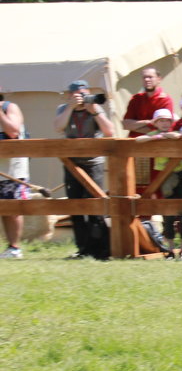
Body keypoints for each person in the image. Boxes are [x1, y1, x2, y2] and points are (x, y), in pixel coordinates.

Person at [53, 80, 115, 259]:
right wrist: (70, 108)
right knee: (76, 207)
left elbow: (109, 131)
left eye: (83, 93)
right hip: (72, 163)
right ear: (69, 95)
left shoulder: (94, 107)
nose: (80, 97)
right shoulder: (63, 108)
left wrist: (94, 110)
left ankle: (102, 248)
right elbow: (58, 127)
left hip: (93, 163)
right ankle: (83, 249)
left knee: (95, 206)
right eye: (76, 94)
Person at [134, 108, 182, 258]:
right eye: (161, 121)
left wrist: (166, 136)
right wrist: (158, 137)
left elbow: (179, 136)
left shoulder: (175, 132)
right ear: (156, 123)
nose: (165, 123)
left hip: (180, 173)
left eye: (167, 120)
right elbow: (138, 140)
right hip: (164, 176)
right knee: (168, 212)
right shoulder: (155, 135)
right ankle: (171, 249)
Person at [0, 87, 28, 258]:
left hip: (12, 170)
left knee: (11, 210)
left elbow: (13, 131)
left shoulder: (9, 108)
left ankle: (14, 248)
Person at [121, 67, 174, 136]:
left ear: (159, 79)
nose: (147, 79)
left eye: (150, 77)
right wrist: (148, 122)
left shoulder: (165, 100)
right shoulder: (135, 99)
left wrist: (135, 127)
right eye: (144, 77)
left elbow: (165, 128)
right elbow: (126, 125)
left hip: (156, 143)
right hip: (134, 143)